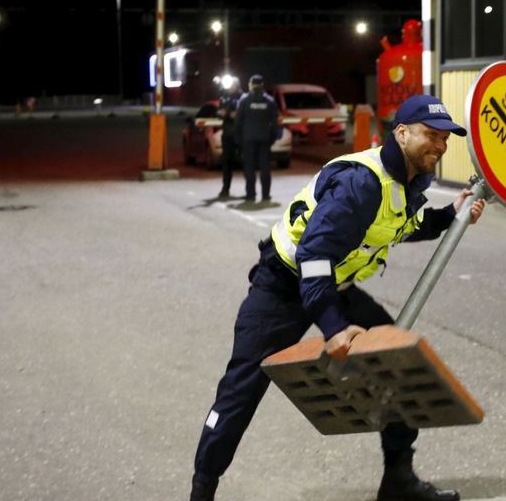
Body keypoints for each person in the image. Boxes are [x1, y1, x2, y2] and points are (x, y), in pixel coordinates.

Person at [190, 94, 486, 501]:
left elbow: (397, 225)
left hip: (335, 284)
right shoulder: (360, 183)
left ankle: (398, 479)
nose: (440, 145)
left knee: (395, 362)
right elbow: (313, 256)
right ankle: (202, 490)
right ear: (402, 133)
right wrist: (334, 327)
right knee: (241, 389)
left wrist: (449, 215)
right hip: (283, 285)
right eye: (431, 135)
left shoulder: (406, 180)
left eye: (445, 138)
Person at [234, 74, 279, 207]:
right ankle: (265, 195)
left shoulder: (244, 100)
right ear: (262, 85)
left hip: (248, 139)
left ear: (251, 84)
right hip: (264, 139)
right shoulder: (269, 101)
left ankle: (251, 195)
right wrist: (271, 139)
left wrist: (239, 140)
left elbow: (238, 122)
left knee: (249, 168)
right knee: (265, 168)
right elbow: (274, 124)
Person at [217, 78, 241, 199]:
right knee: (226, 163)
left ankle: (250, 192)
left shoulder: (243, 98)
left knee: (247, 163)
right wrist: (227, 114)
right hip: (227, 135)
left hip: (241, 135)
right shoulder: (224, 98)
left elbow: (239, 114)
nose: (230, 88)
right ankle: (225, 189)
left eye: (232, 85)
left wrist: (227, 114)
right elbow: (219, 113)